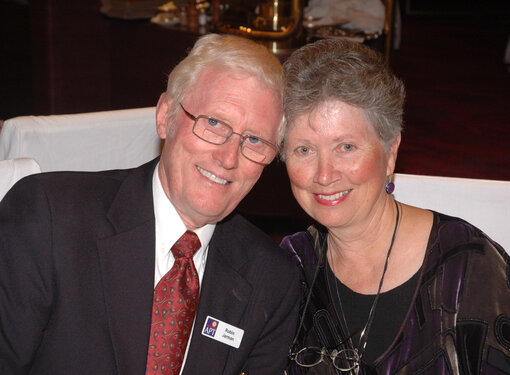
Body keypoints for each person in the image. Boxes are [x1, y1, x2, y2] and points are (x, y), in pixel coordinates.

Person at [0, 34, 301, 375]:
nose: (228, 157)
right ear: (165, 116)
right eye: (214, 123)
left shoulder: (271, 280)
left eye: (254, 140)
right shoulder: (49, 218)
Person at [280, 38, 510, 374]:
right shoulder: (292, 269)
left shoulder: (468, 268)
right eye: (304, 150)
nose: (324, 174)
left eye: (346, 146)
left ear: (390, 152)